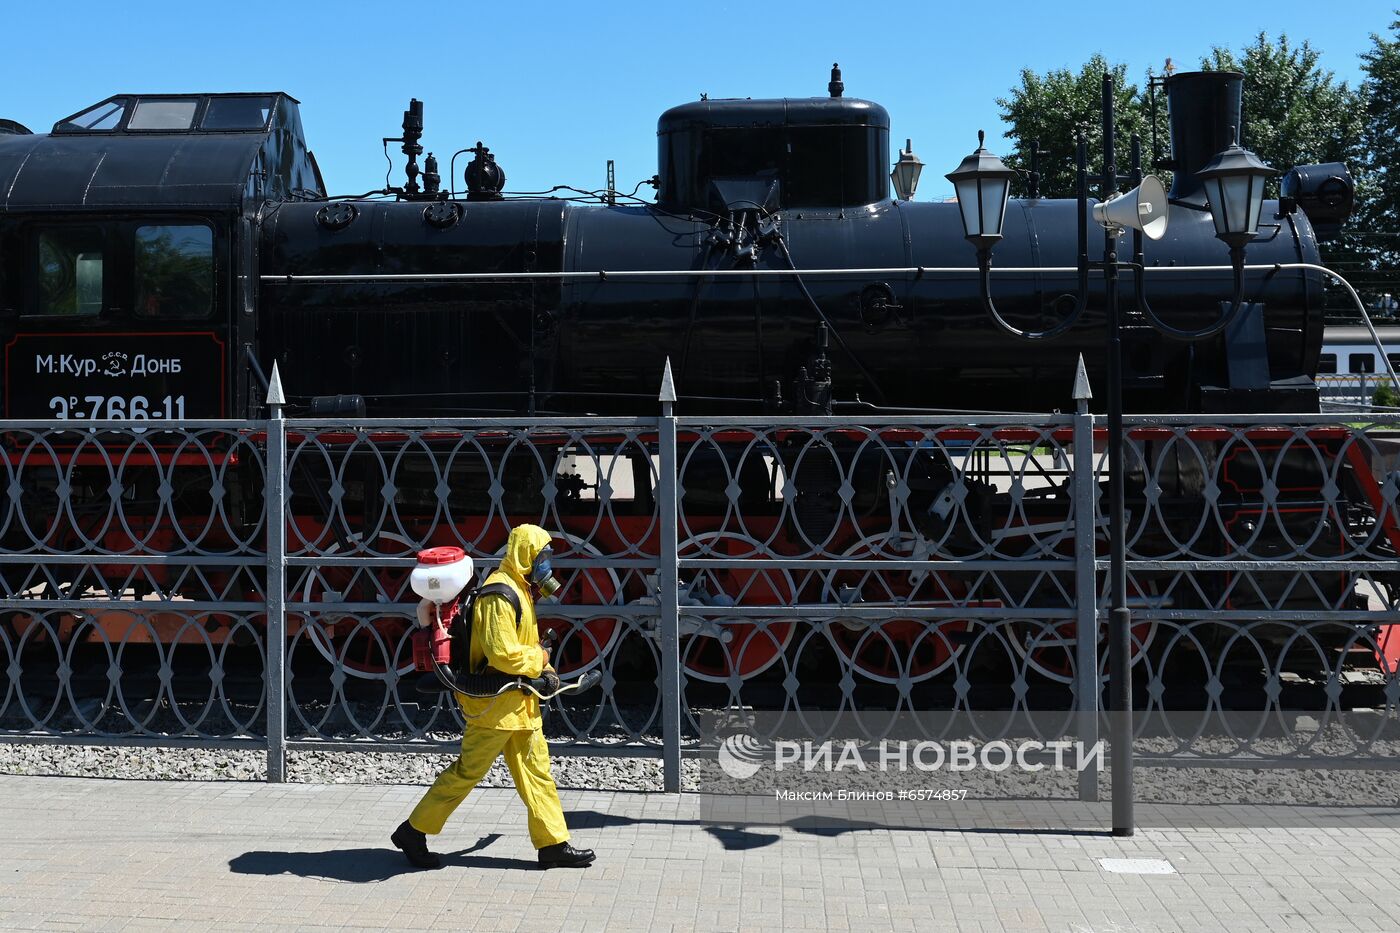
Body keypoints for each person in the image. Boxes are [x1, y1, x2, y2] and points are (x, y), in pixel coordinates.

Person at [391, 524, 595, 870]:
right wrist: (540, 660)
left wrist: (542, 670)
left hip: (518, 704)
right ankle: (413, 831)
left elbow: (522, 646)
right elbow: (503, 654)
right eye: (543, 558)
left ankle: (553, 845)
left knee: (537, 772)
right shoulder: (499, 595)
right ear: (526, 556)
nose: (547, 566)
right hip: (495, 707)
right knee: (467, 772)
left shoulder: (519, 588)